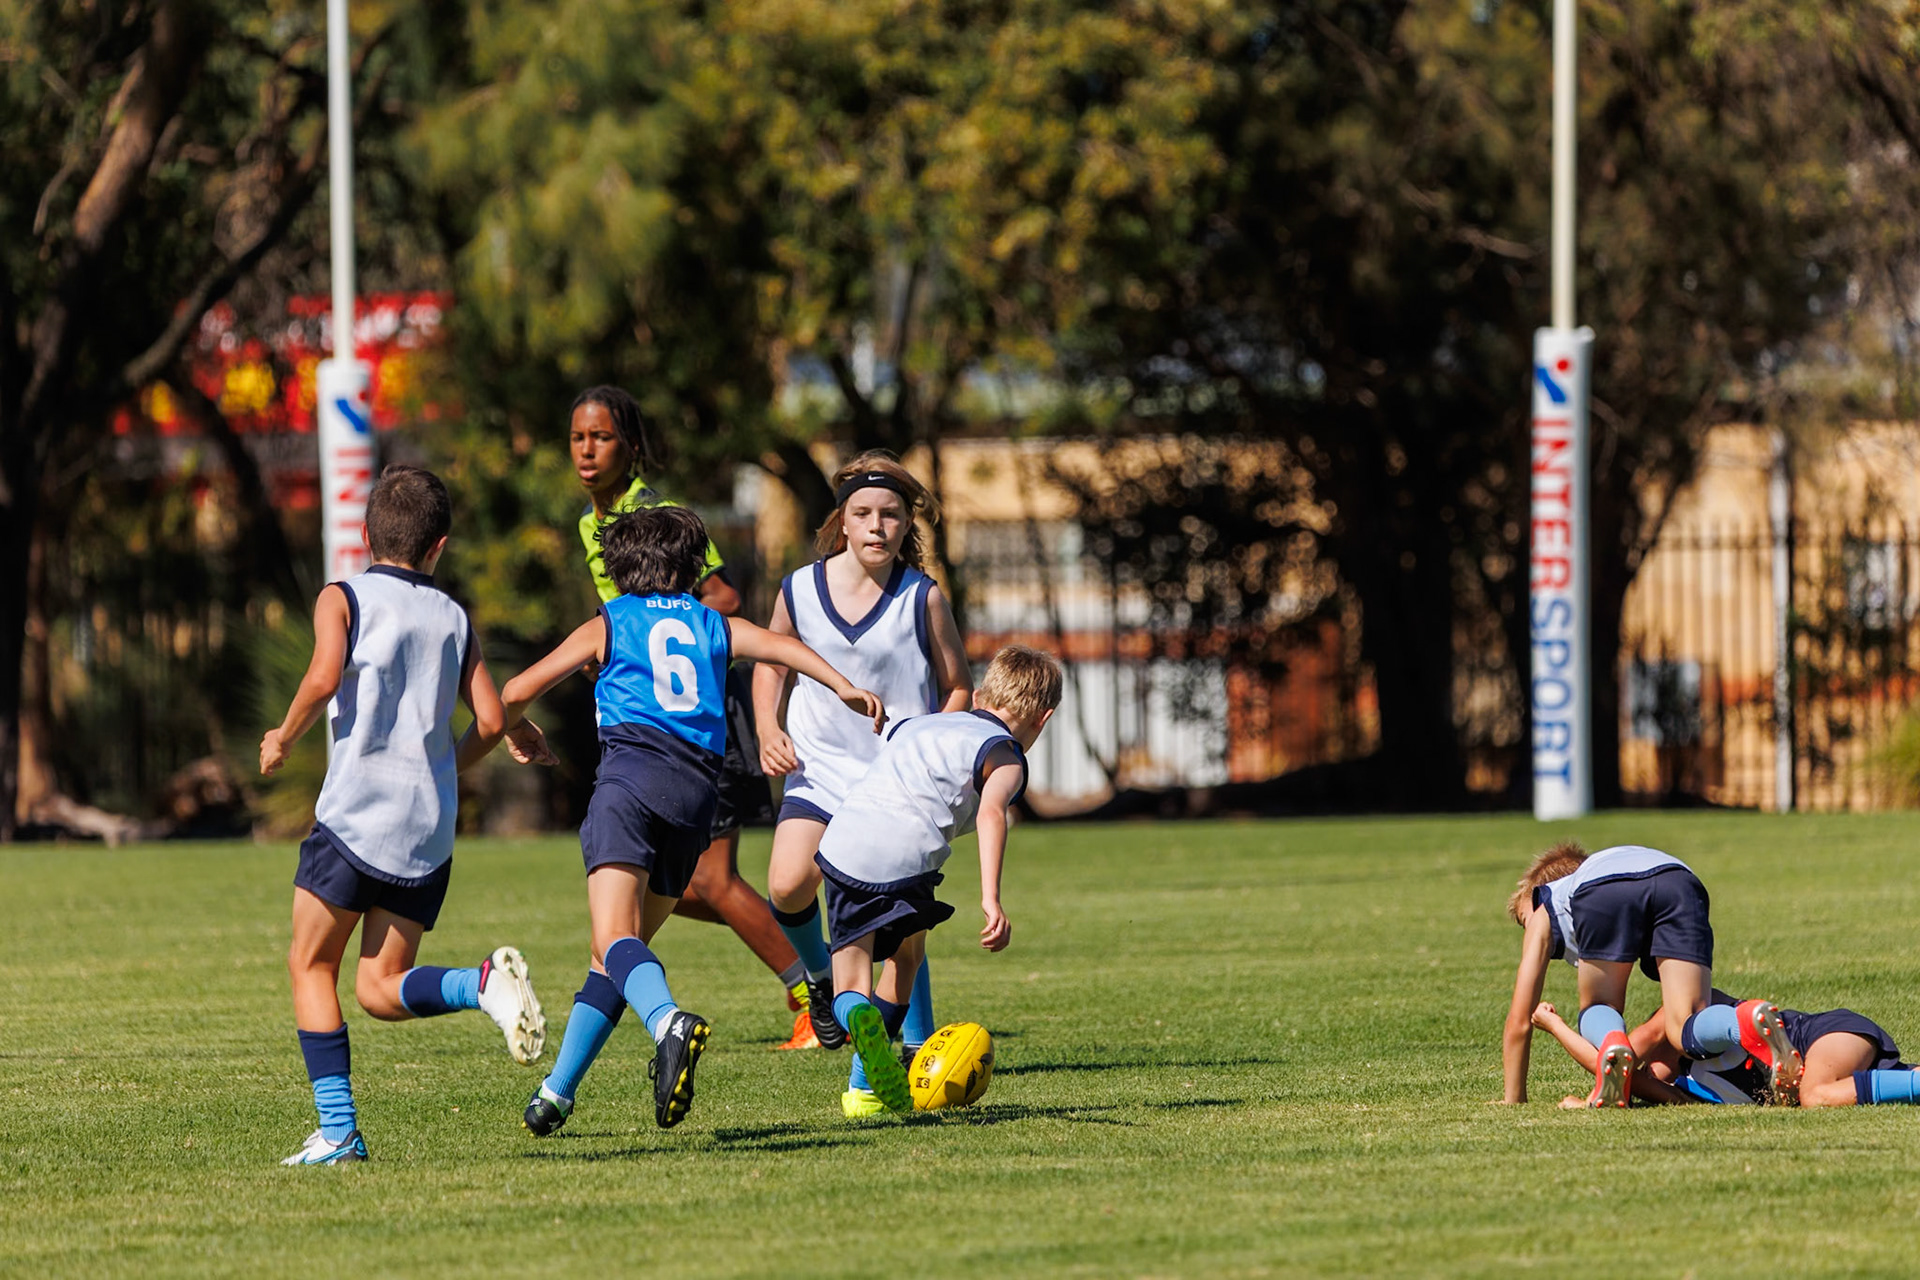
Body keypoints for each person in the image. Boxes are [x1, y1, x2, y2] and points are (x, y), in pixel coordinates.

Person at [504, 506, 884, 1135]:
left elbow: (516, 689)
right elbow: (783, 647)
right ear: (690, 567)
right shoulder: (714, 624)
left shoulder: (610, 620)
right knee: (616, 954)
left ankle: (668, 1024)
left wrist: (517, 728)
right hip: (694, 802)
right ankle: (555, 1094)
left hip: (629, 786)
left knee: (614, 940)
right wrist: (842, 686)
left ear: (618, 567)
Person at [261, 465, 545, 1167]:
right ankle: (479, 985)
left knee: (310, 965)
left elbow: (323, 675)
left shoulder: (343, 597)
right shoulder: (454, 616)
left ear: (366, 534)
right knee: (378, 989)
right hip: (426, 830)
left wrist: (283, 736)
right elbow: (489, 718)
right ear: (438, 546)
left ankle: (339, 1133)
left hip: (355, 817)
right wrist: (452, 762)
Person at [517, 385, 816, 1050]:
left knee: (710, 878)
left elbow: (723, 596)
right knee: (672, 885)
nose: (586, 451)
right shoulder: (589, 521)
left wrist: (656, 641)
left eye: (601, 438)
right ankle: (810, 972)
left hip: (697, 715)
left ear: (630, 447)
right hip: (652, 719)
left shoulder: (650, 513)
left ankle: (811, 993)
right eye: (577, 438)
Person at [754, 451, 972, 1113]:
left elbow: (958, 684)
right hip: (819, 770)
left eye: (891, 515)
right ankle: (823, 981)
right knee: (786, 883)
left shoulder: (922, 597)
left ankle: (915, 1043)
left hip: (892, 787)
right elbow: (770, 661)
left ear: (907, 525)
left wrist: (933, 743)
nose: (877, 526)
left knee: (901, 922)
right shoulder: (799, 589)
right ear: (841, 523)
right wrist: (766, 726)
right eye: (864, 514)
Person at [817, 645, 1060, 1115]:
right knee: (906, 961)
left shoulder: (922, 724)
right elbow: (992, 813)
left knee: (852, 982)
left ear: (982, 695)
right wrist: (991, 899)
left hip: (844, 844)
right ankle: (863, 1079)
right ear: (1043, 719)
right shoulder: (1004, 755)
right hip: (908, 855)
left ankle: (862, 1069)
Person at [1500, 842, 1802, 1108]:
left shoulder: (1545, 903)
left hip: (1604, 891)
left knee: (1599, 1007)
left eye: (1524, 921)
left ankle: (1612, 1042)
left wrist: (1514, 1099)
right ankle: (1743, 1020)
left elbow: (1519, 1018)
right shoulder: (1616, 860)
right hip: (1680, 880)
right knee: (1685, 1026)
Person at [1530, 995, 1920, 1108]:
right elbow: (1616, 1074)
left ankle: (1747, 1023)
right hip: (1834, 1058)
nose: (1645, 1075)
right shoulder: (1682, 1090)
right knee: (1822, 1093)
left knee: (1815, 1096)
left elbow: (1614, 1058)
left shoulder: (1680, 1021)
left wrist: (1555, 1026)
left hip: (1821, 1035)